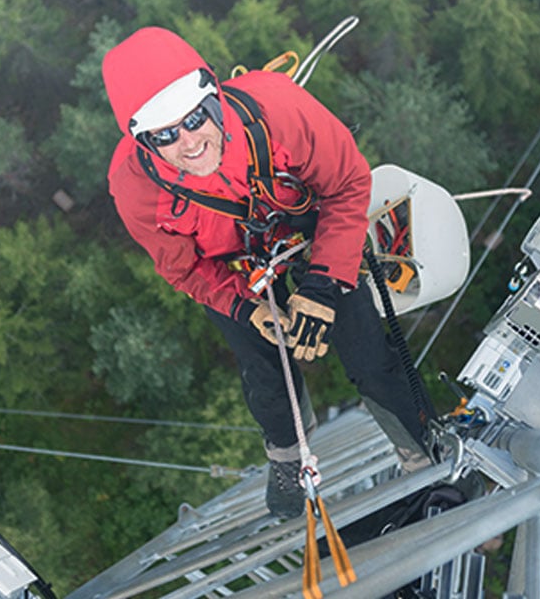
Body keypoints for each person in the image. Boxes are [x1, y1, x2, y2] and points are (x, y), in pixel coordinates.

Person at [102, 27, 436, 519]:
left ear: (215, 96)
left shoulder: (277, 109)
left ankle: (422, 452)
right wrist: (246, 307)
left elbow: (347, 183)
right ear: (142, 141)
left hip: (310, 235)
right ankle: (288, 462)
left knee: (369, 353)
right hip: (233, 271)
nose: (189, 142)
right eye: (165, 135)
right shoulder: (136, 189)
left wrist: (321, 284)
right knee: (264, 371)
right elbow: (184, 269)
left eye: (196, 119)